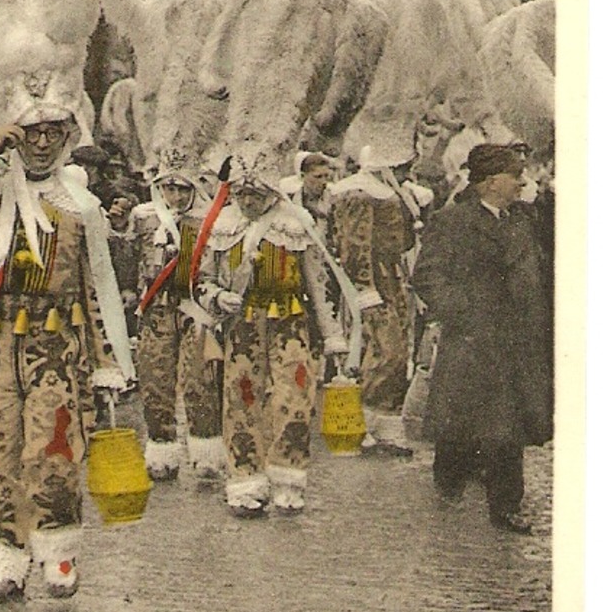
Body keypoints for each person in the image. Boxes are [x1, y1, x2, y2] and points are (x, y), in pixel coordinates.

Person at [0, 77, 136, 603]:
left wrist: (108, 362)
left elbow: (98, 287)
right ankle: (3, 554)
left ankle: (57, 549)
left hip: (57, 348)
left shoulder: (81, 207)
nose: (41, 143)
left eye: (52, 133)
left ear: (68, 137)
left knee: (53, 452)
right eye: (30, 132)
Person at [194, 152, 346, 518]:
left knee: (294, 398)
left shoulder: (295, 225)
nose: (247, 202)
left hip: (290, 324)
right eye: (242, 194)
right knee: (241, 399)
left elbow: (319, 286)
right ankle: (245, 480)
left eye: (255, 195)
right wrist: (218, 297)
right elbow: (201, 280)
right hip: (242, 326)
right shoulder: (222, 225)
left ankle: (288, 476)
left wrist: (333, 336)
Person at [411, 143, 549, 535]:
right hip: (472, 341)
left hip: (516, 340)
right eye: (514, 176)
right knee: (461, 425)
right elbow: (427, 276)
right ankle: (449, 484)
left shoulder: (522, 220)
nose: (522, 183)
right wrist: (464, 312)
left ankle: (506, 504)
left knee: (508, 427)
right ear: (490, 183)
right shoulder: (453, 222)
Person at [328, 144, 433, 457]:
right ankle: (366, 420)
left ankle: (384, 421)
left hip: (392, 275)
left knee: (398, 352)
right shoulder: (359, 193)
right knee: (384, 349)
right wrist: (363, 288)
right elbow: (353, 244)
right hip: (373, 277)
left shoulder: (392, 191)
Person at [129, 152, 225, 481]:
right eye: (170, 189)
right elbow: (128, 259)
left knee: (201, 379)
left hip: (194, 307)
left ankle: (206, 450)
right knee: (155, 379)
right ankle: (161, 447)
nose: (177, 197)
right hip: (156, 309)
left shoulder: (208, 220)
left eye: (183, 189)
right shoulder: (144, 217)